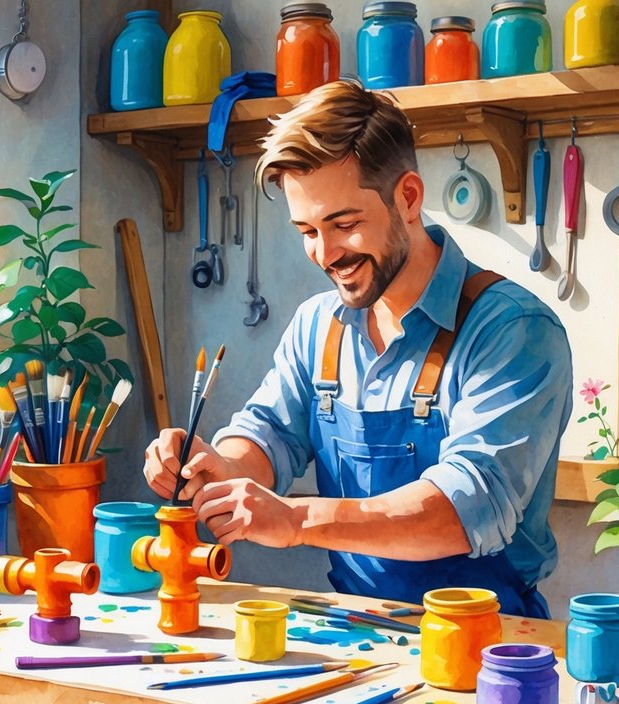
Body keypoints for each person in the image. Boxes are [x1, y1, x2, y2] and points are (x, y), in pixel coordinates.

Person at [143, 79, 572, 622]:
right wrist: (217, 464)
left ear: (408, 198)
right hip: (353, 630)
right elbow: (269, 435)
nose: (325, 254)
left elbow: (465, 509)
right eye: (307, 231)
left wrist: (297, 520)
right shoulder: (317, 325)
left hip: (486, 640)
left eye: (344, 225)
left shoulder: (513, 331)